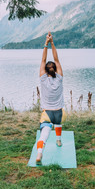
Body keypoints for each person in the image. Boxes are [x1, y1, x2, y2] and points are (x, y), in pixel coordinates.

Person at [36, 32, 66, 163]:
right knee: (58, 123)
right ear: (54, 69)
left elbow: (43, 60)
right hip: (59, 112)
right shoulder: (59, 78)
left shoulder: (43, 79)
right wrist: (53, 42)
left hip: (47, 113)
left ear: (46, 70)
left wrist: (46, 43)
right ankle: (58, 140)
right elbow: (57, 59)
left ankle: (39, 154)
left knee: (44, 134)